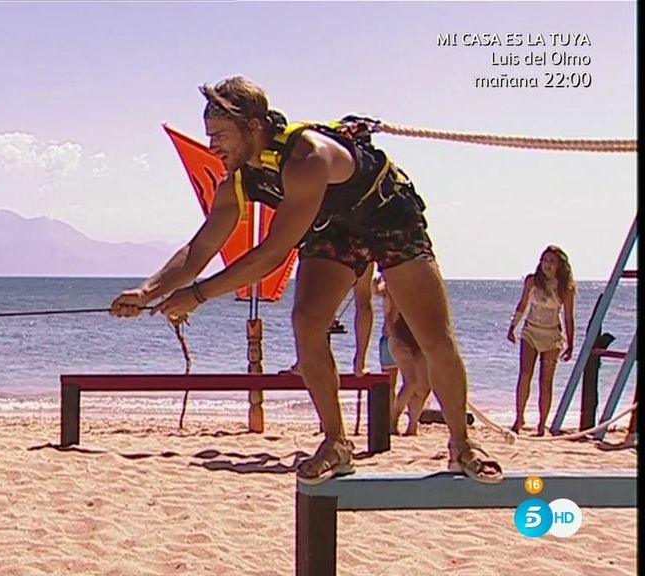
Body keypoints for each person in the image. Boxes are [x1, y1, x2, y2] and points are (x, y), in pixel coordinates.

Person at [109, 75, 503, 485]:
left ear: (254, 126)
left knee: (433, 337)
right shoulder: (239, 177)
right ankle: (336, 443)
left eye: (221, 135)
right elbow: (201, 247)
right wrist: (148, 290)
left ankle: (463, 445)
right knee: (307, 321)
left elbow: (273, 254)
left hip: (387, 216)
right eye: (210, 136)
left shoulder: (306, 157)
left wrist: (198, 295)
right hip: (332, 229)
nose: (213, 147)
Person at [507, 245, 576, 436]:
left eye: (551, 262)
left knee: (546, 382)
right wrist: (512, 326)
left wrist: (571, 344)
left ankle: (541, 424)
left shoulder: (566, 288)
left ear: (559, 266)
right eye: (545, 260)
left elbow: (569, 317)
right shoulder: (532, 281)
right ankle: (519, 418)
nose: (547, 265)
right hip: (530, 332)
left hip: (552, 336)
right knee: (525, 375)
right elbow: (522, 305)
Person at [375, 272, 431, 435]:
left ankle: (411, 426)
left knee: (421, 387)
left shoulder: (415, 291)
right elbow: (379, 291)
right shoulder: (393, 289)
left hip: (410, 340)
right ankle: (393, 421)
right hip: (395, 339)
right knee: (406, 384)